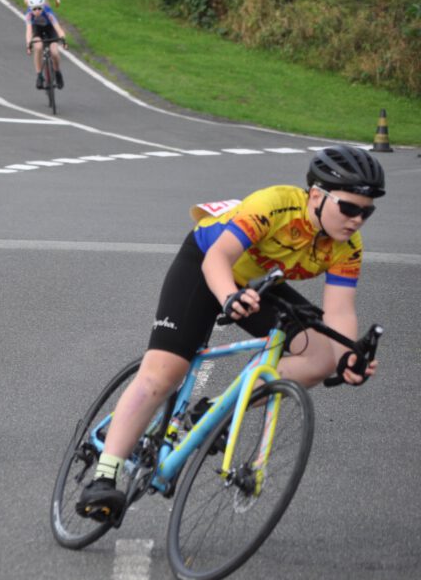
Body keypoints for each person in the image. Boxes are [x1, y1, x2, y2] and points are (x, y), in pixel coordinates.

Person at [77, 145, 386, 520]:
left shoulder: (347, 246)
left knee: (322, 357)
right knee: (165, 372)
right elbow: (218, 258)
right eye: (349, 208)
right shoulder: (274, 205)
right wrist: (228, 297)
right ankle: (104, 475)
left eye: (367, 212)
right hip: (205, 265)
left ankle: (215, 412)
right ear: (317, 196)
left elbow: (339, 311)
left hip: (257, 282)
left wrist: (349, 355)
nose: (357, 220)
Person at [25, 0, 68, 90]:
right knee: (38, 47)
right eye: (34, 9)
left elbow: (58, 29)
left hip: (50, 28)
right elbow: (29, 31)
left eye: (39, 8)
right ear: (31, 8)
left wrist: (64, 41)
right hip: (37, 29)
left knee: (54, 52)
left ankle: (57, 73)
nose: (37, 11)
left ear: (43, 6)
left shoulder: (48, 13)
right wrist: (28, 45)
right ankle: (39, 75)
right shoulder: (29, 15)